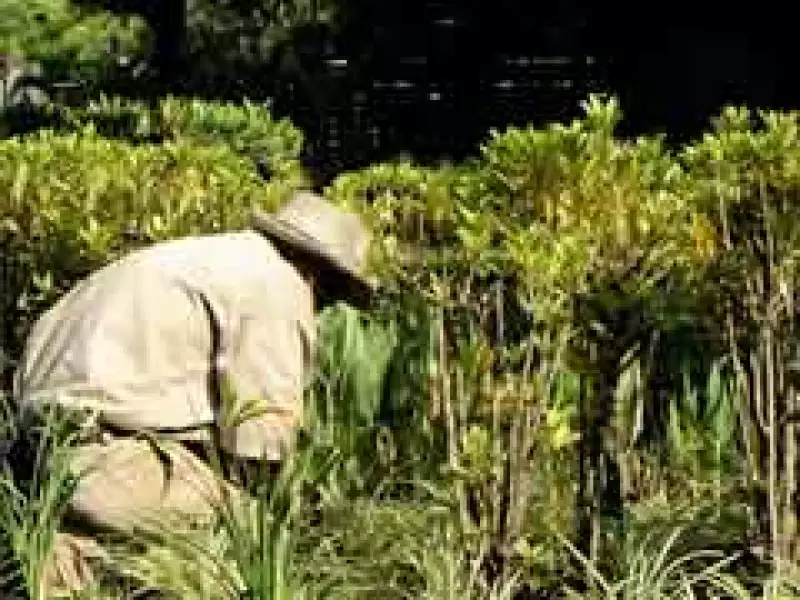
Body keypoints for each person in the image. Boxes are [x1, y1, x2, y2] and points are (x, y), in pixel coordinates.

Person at [10, 190, 377, 595]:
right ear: (321, 275)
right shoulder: (277, 285)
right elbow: (260, 443)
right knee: (247, 530)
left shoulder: (203, 258)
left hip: (42, 449)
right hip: (114, 454)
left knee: (71, 560)